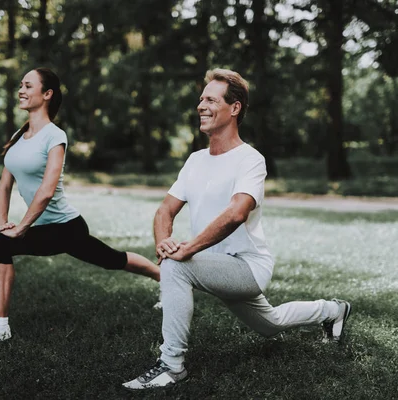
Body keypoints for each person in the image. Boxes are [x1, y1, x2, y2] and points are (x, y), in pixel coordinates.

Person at [123, 69, 351, 390]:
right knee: (270, 324)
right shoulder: (195, 161)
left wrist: (185, 250)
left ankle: (171, 366)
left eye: (211, 99)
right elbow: (165, 210)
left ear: (234, 109)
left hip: (246, 267)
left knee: (177, 265)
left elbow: (236, 213)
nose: (201, 105)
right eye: (201, 99)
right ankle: (333, 310)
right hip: (213, 264)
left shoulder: (250, 160)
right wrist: (164, 242)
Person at [0, 67, 160, 347]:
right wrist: (2, 222)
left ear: (47, 94)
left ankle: (165, 278)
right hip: (41, 226)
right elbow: (5, 184)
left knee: (113, 260)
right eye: (21, 85)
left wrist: (21, 228)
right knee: (0, 243)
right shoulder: (20, 135)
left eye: (28, 86)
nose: (21, 90)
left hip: (66, 227)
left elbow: (46, 191)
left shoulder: (55, 136)